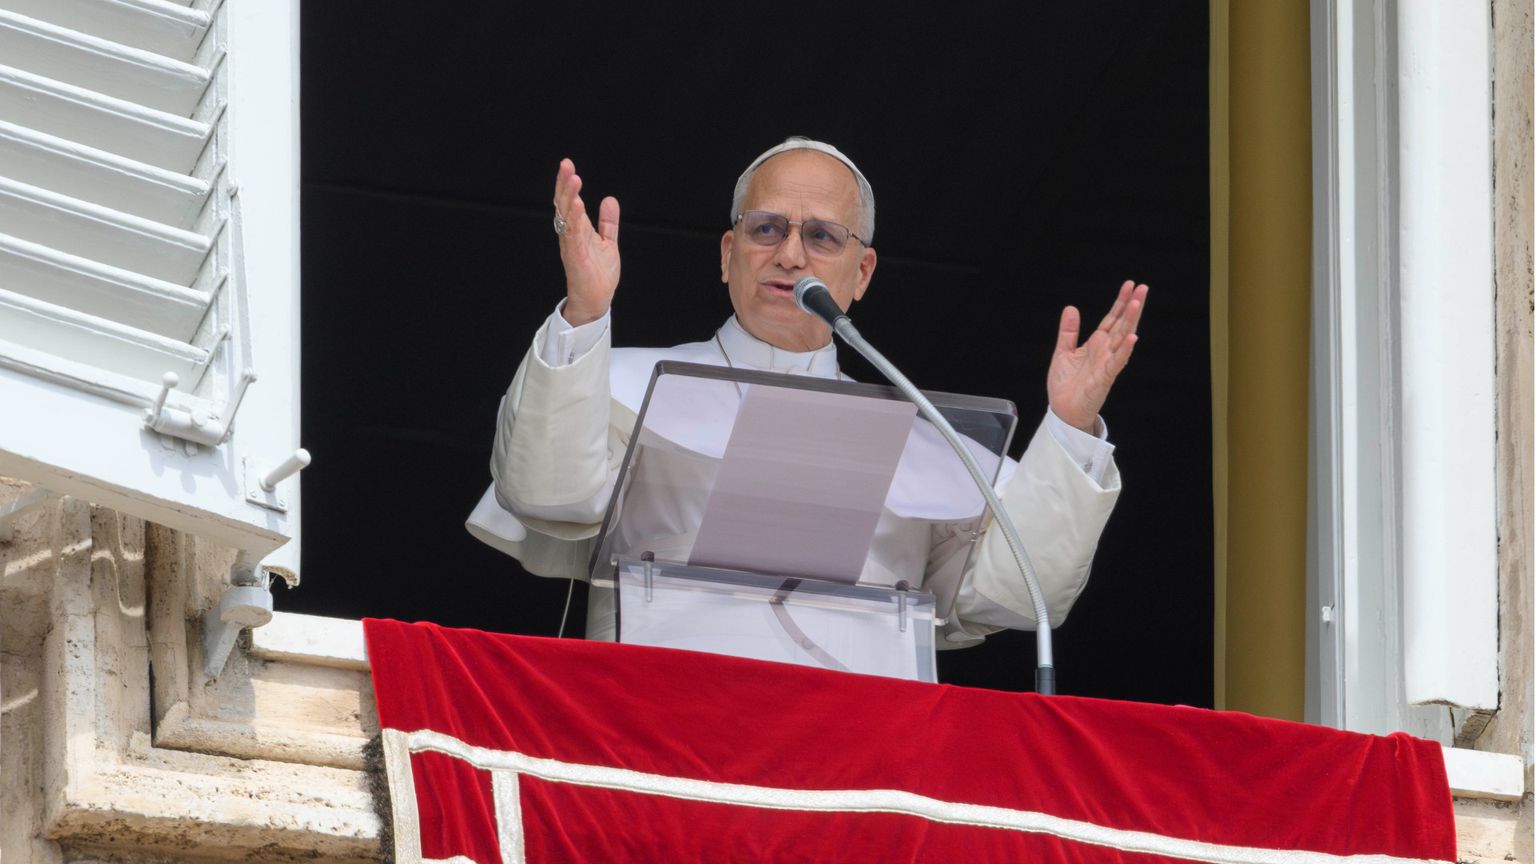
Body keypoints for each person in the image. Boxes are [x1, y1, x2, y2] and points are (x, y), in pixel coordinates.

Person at [466, 137, 1147, 648]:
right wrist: (584, 314)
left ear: (863, 272)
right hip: (655, 731)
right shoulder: (617, 380)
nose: (790, 255)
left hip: (857, 764)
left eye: (822, 236)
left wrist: (1070, 424)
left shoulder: (931, 444)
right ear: (728, 255)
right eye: (767, 230)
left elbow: (1015, 596)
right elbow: (547, 495)